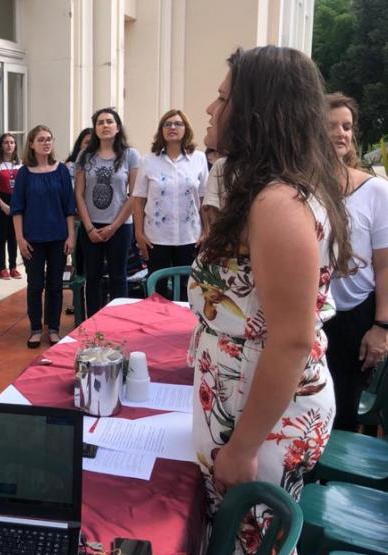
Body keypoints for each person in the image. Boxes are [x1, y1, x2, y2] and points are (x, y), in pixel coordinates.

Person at [190, 46, 352, 553]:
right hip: (246, 402)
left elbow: (291, 339)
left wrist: (243, 447)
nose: (212, 111)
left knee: (247, 542)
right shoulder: (265, 190)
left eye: (223, 99)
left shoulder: (278, 202)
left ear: (259, 112)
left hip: (261, 419)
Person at [323, 92, 388, 432]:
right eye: (331, 125)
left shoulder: (377, 191)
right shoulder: (302, 188)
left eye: (347, 126)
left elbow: (385, 266)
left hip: (356, 319)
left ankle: (331, 485)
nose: (341, 133)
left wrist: (382, 327)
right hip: (308, 316)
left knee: (343, 413)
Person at [11, 125, 76, 348]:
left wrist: (71, 236)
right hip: (32, 240)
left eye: (49, 139)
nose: (46, 143)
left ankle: (54, 328)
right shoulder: (24, 174)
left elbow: (69, 207)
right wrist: (20, 239)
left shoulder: (61, 171)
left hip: (58, 237)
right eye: (41, 139)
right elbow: (17, 209)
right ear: (32, 144)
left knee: (56, 285)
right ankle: (36, 329)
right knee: (35, 285)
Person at [133, 110, 208, 300]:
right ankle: (159, 327)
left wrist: (207, 230)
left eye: (177, 124)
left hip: (190, 236)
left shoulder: (198, 159)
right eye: (167, 124)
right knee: (158, 289)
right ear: (161, 130)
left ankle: (185, 328)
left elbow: (204, 199)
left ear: (186, 129)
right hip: (156, 237)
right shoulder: (148, 160)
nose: (172, 128)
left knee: (188, 287)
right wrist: (138, 233)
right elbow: (139, 199)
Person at [75, 108, 141, 317]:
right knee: (92, 277)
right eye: (100, 122)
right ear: (95, 128)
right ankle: (93, 322)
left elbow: (135, 194)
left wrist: (113, 227)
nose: (105, 125)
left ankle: (117, 321)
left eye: (109, 121)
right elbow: (79, 194)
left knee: (118, 276)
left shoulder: (130, 155)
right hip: (91, 226)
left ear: (117, 127)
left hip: (120, 227)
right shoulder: (85, 156)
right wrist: (89, 228)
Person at [0, 133, 23, 280]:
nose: (9, 145)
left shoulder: (19, 163)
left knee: (13, 236)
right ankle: (2, 268)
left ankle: (13, 266)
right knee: (1, 236)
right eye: (6, 142)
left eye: (12, 142)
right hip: (1, 202)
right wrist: (2, 205)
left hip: (16, 203)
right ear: (1, 146)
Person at [66, 128, 93, 280]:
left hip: (96, 218)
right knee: (79, 259)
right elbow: (72, 191)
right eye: (87, 142)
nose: (89, 146)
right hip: (77, 218)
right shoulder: (70, 165)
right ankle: (78, 301)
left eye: (92, 142)